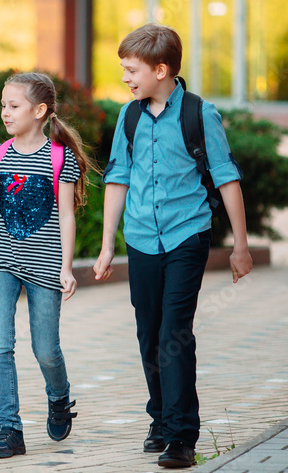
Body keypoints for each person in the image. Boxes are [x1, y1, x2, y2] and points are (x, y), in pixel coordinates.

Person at [93, 23, 252, 469]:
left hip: (187, 235)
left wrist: (240, 246)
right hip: (142, 238)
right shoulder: (129, 117)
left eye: (131, 70)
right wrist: (107, 245)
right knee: (149, 333)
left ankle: (182, 436)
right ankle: (160, 418)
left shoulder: (200, 114)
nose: (125, 78)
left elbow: (226, 177)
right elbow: (117, 179)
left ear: (160, 70)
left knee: (173, 333)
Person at [0, 72, 92, 459]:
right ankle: (11, 429)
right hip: (0, 261)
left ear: (39, 111)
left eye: (14, 105)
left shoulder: (61, 158)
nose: (5, 112)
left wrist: (67, 268)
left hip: (45, 267)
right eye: (3, 105)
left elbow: (67, 216)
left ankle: (59, 397)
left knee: (46, 349)